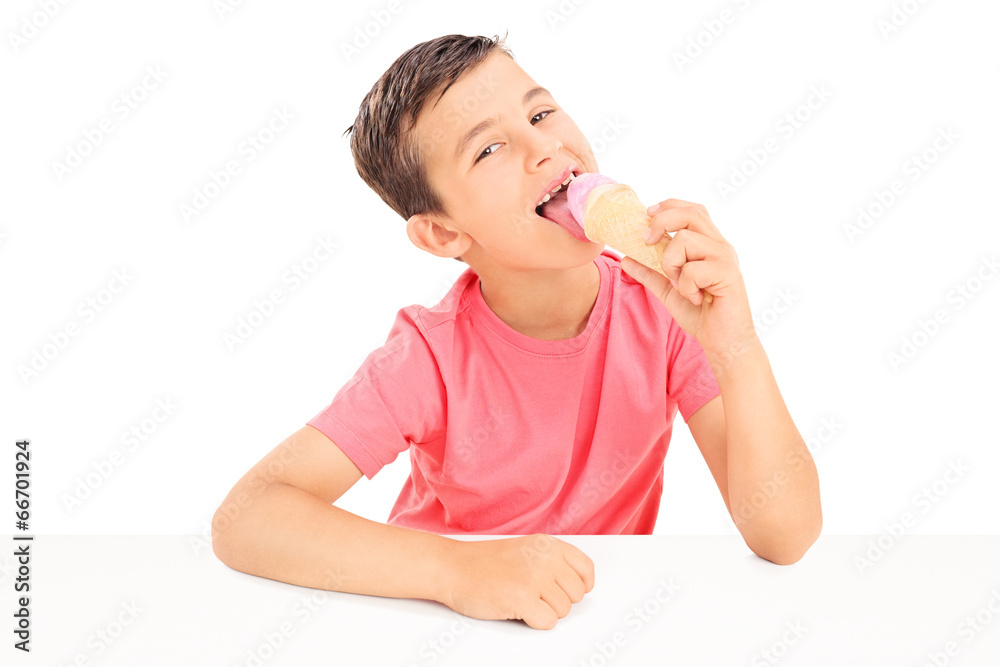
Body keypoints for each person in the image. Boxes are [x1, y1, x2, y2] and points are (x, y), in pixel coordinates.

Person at [211, 33, 822, 631]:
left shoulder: (663, 311)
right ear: (443, 233)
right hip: (434, 624)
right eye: (489, 149)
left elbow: (786, 536)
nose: (543, 146)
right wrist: (459, 571)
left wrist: (734, 342)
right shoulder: (429, 358)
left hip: (587, 622)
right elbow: (247, 517)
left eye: (540, 112)